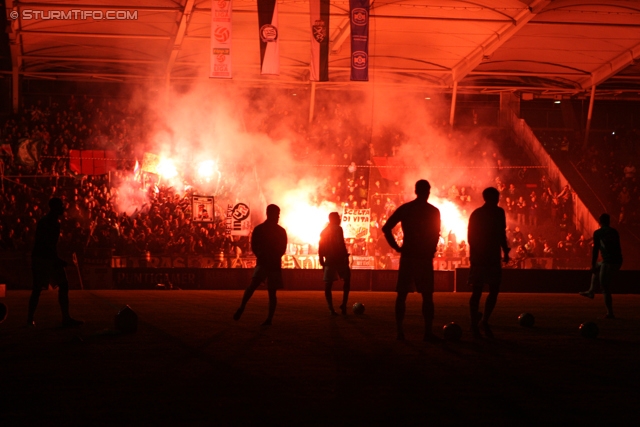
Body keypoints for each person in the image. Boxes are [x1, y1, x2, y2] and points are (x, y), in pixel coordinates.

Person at [382, 179, 441, 342]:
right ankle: (427, 332)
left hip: (408, 256)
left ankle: (400, 331)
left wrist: (396, 247)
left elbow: (386, 228)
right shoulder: (433, 211)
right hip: (423, 257)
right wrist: (432, 249)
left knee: (402, 295)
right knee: (427, 296)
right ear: (428, 191)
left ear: (416, 191)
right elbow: (436, 234)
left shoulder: (406, 209)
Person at [27, 197, 84, 328]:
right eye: (61, 206)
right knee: (42, 288)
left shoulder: (46, 221)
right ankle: (64, 318)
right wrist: (57, 260)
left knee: (41, 288)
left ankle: (30, 319)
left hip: (43, 257)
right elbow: (47, 244)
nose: (63, 208)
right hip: (44, 258)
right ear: (55, 208)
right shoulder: (51, 223)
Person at [233, 204, 287, 326]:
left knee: (254, 286)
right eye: (276, 214)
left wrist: (262, 255)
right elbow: (282, 249)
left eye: (278, 214)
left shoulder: (260, 229)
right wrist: (270, 256)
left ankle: (244, 307)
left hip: (265, 263)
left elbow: (255, 246)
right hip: (271, 264)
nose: (278, 217)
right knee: (269, 292)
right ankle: (268, 318)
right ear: (270, 214)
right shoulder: (279, 231)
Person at [467, 187, 510, 338]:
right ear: (489, 198)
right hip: (485, 258)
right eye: (496, 197)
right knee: (487, 290)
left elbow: (500, 234)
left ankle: (479, 322)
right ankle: (479, 322)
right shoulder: (496, 213)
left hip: (485, 257)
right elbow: (499, 234)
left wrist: (504, 250)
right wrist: (504, 250)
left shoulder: (481, 214)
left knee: (485, 290)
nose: (497, 200)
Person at [579, 213, 623, 318]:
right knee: (598, 268)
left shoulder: (598, 233)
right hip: (616, 260)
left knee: (605, 287)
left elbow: (595, 249)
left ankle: (610, 313)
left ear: (600, 222)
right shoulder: (614, 231)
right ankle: (591, 291)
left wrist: (592, 263)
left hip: (608, 261)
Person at [318, 212, 351, 315]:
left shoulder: (324, 231)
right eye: (338, 218)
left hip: (329, 259)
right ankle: (343, 305)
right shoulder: (338, 229)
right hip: (339, 258)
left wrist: (320, 258)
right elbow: (340, 243)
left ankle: (331, 309)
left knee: (328, 284)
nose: (339, 220)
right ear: (335, 219)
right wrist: (345, 256)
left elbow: (320, 245)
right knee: (347, 279)